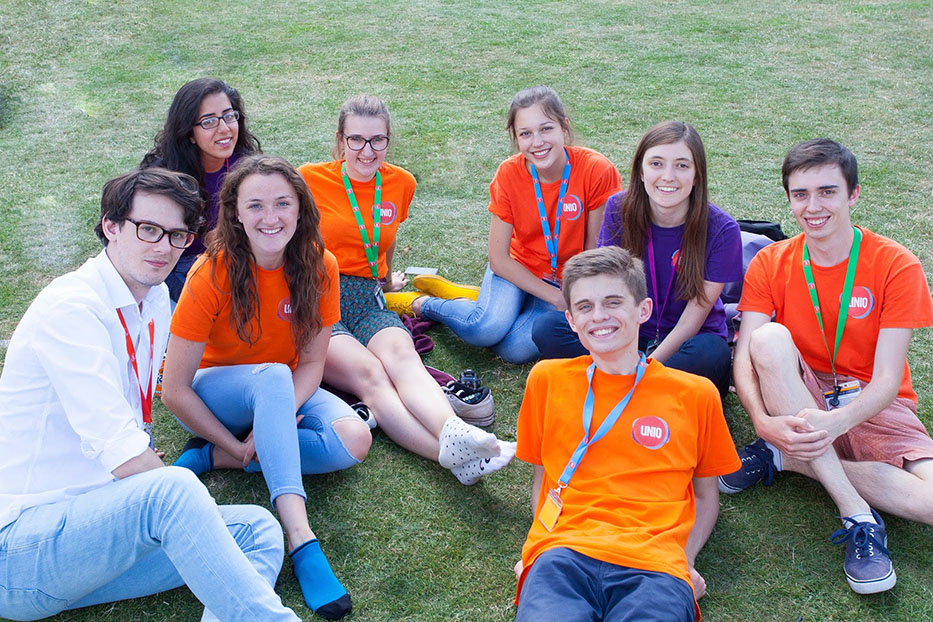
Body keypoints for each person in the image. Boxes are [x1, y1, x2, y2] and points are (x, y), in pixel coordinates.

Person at [0, 168, 300, 621]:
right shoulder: (71, 309)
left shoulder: (155, 298)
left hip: (95, 536)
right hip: (20, 550)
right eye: (149, 230)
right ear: (111, 226)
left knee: (256, 530)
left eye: (178, 235)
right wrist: (165, 484)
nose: (164, 247)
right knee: (171, 490)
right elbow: (123, 454)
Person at [719, 138, 933, 595]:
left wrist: (835, 422)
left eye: (827, 192)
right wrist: (760, 419)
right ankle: (856, 513)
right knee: (769, 339)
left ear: (853, 194)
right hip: (801, 388)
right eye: (800, 195)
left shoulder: (897, 265)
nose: (812, 207)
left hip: (872, 398)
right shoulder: (772, 262)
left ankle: (790, 459)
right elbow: (744, 359)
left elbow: (887, 380)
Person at [162, 155, 368, 620]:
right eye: (255, 205)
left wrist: (266, 427)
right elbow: (175, 389)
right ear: (235, 211)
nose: (270, 218)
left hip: (281, 387)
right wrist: (237, 438)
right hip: (217, 395)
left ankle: (210, 459)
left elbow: (313, 363)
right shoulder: (209, 272)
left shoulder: (320, 265)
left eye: (282, 203)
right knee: (273, 373)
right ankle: (302, 539)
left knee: (355, 439)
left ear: (300, 209)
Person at [513, 246, 740, 621]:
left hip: (656, 565)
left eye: (613, 302)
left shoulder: (695, 394)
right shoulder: (546, 380)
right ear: (570, 319)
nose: (599, 316)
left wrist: (685, 559)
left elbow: (705, 495)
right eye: (585, 307)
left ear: (644, 311)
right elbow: (544, 477)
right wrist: (534, 547)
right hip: (562, 557)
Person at [298, 94, 515, 486]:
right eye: (356, 140)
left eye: (377, 140)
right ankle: (451, 458)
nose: (367, 151)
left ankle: (453, 431)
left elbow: (385, 236)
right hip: (318, 298)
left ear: (388, 139)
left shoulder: (401, 182)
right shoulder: (309, 179)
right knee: (372, 376)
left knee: (403, 359)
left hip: (366, 297)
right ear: (340, 140)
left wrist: (383, 279)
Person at [387, 86, 622, 364]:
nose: (537, 142)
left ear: (564, 128)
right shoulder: (509, 174)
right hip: (517, 268)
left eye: (546, 129)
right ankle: (424, 304)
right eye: (525, 134)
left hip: (567, 279)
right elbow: (499, 260)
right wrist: (553, 298)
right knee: (484, 329)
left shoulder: (597, 170)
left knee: (512, 350)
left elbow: (592, 255)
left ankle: (471, 297)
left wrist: (567, 294)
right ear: (515, 138)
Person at [531, 121, 742, 395]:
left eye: (681, 165)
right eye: (656, 164)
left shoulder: (722, 230)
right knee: (548, 327)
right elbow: (603, 286)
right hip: (625, 334)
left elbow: (694, 317)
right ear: (641, 172)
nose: (668, 176)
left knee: (711, 354)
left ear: (697, 175)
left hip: (685, 343)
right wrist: (617, 346)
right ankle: (639, 388)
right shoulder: (619, 208)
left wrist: (647, 367)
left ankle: (617, 385)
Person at [141, 77, 261, 300]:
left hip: (236, 257)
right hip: (176, 264)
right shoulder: (164, 179)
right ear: (189, 133)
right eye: (208, 122)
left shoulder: (246, 167)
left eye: (228, 116)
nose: (224, 129)